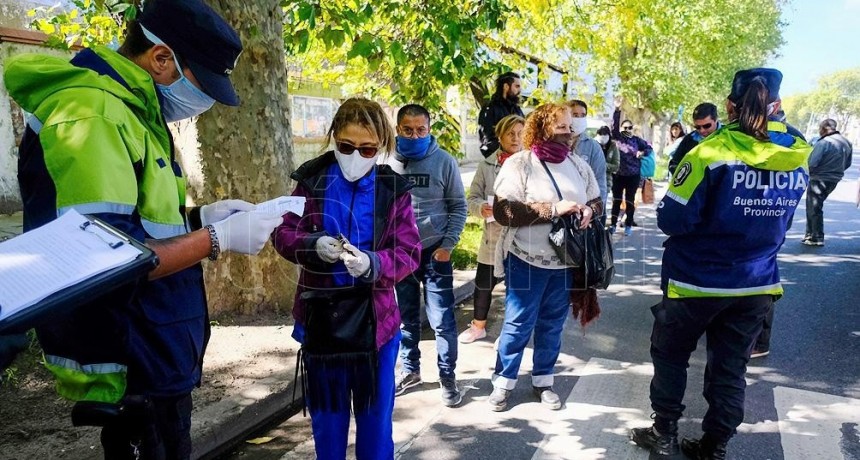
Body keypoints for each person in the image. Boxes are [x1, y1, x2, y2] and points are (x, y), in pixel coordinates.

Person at [3, 1, 284, 457]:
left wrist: (203, 218)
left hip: (157, 345)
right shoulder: (93, 113)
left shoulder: (134, 109)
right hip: (132, 354)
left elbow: (142, 221)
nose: (206, 102)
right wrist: (216, 240)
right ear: (160, 58)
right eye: (203, 85)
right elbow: (104, 257)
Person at [630, 68, 811, 460]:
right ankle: (715, 447)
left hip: (694, 283)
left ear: (729, 106)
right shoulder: (799, 157)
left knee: (671, 357)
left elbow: (672, 219)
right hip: (756, 285)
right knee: (731, 369)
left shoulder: (710, 153)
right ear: (777, 106)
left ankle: (664, 435)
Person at [271, 97, 421, 459]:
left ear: (381, 145)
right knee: (328, 427)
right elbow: (283, 233)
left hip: (376, 327)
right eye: (346, 146)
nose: (356, 156)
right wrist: (312, 244)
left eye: (367, 149)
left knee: (375, 429)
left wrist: (374, 263)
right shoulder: (311, 180)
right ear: (334, 138)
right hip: (322, 324)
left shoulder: (393, 189)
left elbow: (409, 251)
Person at [487, 103, 602, 411]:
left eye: (570, 127)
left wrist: (590, 210)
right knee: (518, 322)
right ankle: (503, 382)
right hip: (525, 260)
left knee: (551, 323)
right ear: (542, 128)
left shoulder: (578, 164)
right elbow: (504, 211)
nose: (569, 133)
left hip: (565, 263)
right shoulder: (520, 164)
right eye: (561, 127)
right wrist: (552, 210)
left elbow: (597, 200)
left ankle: (543, 381)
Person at [389, 104, 467, 407]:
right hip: (399, 254)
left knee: (442, 319)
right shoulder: (386, 163)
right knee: (405, 318)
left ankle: (447, 376)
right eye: (408, 130)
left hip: (436, 254)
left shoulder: (444, 162)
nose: (414, 135)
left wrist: (447, 246)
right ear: (398, 130)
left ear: (429, 129)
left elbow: (458, 207)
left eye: (421, 129)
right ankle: (410, 371)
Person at [458, 115, 525, 344]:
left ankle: (509, 333)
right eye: (510, 134)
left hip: (521, 239)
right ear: (500, 136)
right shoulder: (487, 165)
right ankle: (478, 327)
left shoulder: (531, 164)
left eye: (520, 133)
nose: (516, 138)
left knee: (515, 289)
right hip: (492, 236)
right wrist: (481, 208)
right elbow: (472, 197)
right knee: (484, 284)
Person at [802, 118, 853, 247]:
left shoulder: (823, 142)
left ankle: (816, 237)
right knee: (815, 206)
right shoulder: (847, 142)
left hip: (819, 178)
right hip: (834, 179)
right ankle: (810, 234)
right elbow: (848, 163)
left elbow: (812, 162)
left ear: (823, 128)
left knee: (814, 207)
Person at [610, 107, 653, 236]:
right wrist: (617, 110)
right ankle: (613, 225)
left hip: (633, 176)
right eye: (625, 128)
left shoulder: (636, 140)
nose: (627, 130)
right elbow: (614, 125)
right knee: (616, 200)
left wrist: (642, 152)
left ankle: (628, 224)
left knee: (630, 201)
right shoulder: (617, 138)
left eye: (630, 128)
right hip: (618, 175)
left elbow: (649, 148)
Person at [567, 99, 608, 205]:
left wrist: (597, 209)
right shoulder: (554, 143)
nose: (579, 119)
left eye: (583, 115)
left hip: (586, 207)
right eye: (575, 115)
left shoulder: (593, 146)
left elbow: (600, 180)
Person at [478, 72, 525, 157]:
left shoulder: (517, 110)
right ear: (506, 87)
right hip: (497, 161)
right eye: (517, 86)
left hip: (518, 159)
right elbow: (487, 139)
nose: (520, 90)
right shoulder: (490, 109)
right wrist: (502, 157)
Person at [668, 103, 721, 175]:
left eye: (706, 126)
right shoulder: (689, 139)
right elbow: (674, 164)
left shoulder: (728, 136)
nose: (702, 130)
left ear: (716, 120)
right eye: (698, 127)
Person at [595, 125, 620, 214]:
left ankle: (601, 225)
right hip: (592, 179)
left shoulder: (613, 147)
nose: (603, 137)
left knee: (602, 206)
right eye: (601, 134)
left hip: (606, 180)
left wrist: (603, 165)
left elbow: (616, 166)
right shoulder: (593, 145)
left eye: (605, 135)